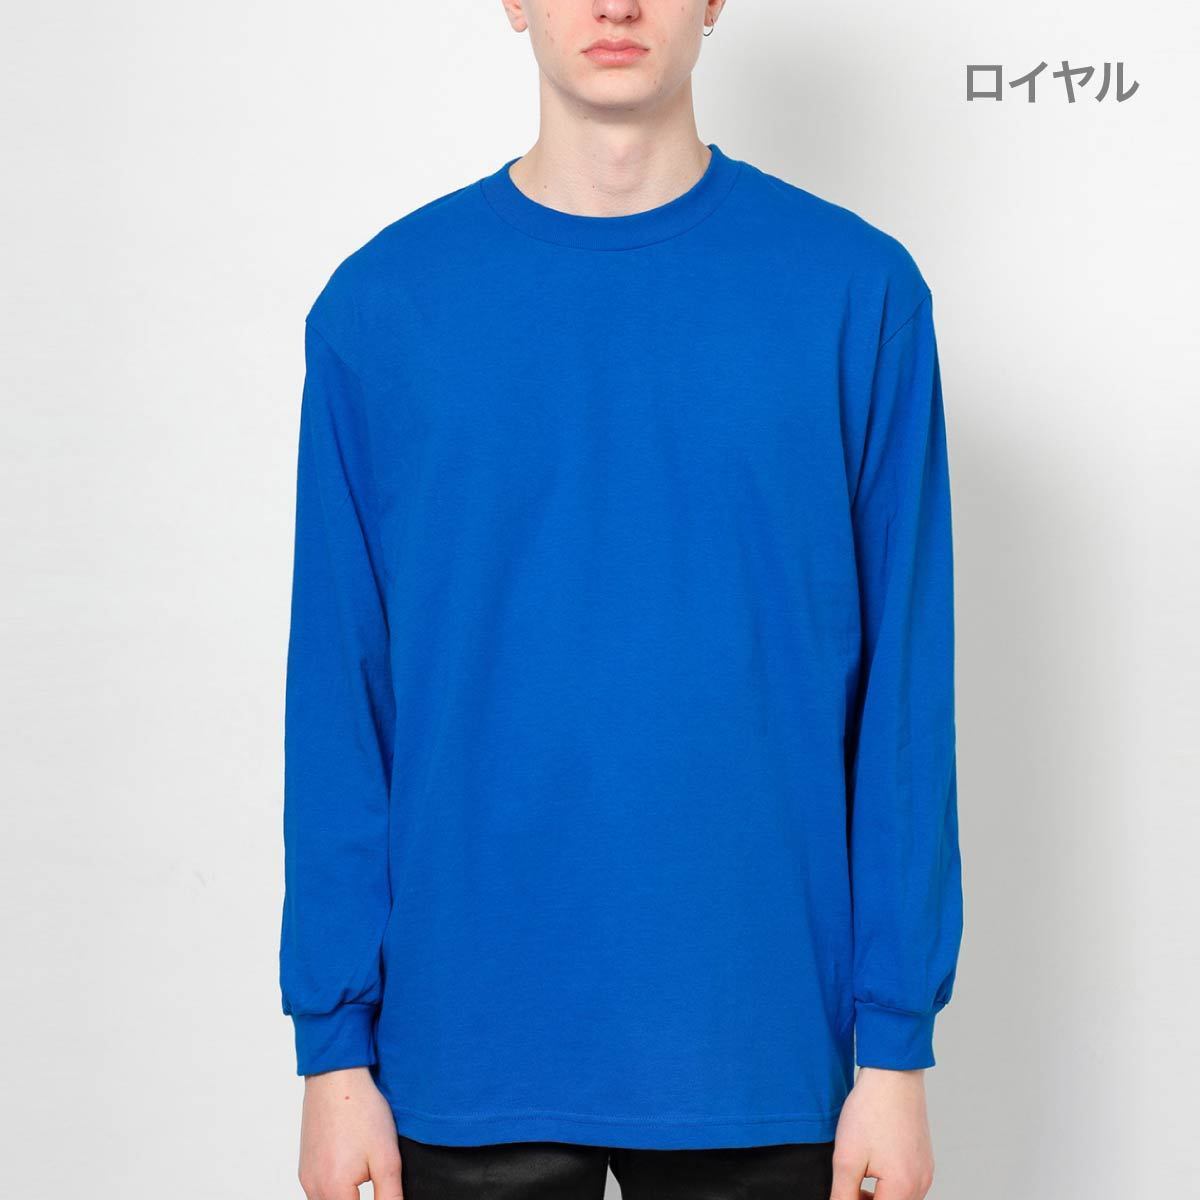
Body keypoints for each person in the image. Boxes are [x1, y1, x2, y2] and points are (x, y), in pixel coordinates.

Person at [278, 2, 964, 1197]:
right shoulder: (383, 309)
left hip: (760, 1041)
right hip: (463, 1042)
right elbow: (341, 698)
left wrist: (896, 1050)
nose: (615, 3)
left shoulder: (856, 294)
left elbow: (905, 704)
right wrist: (333, 1053)